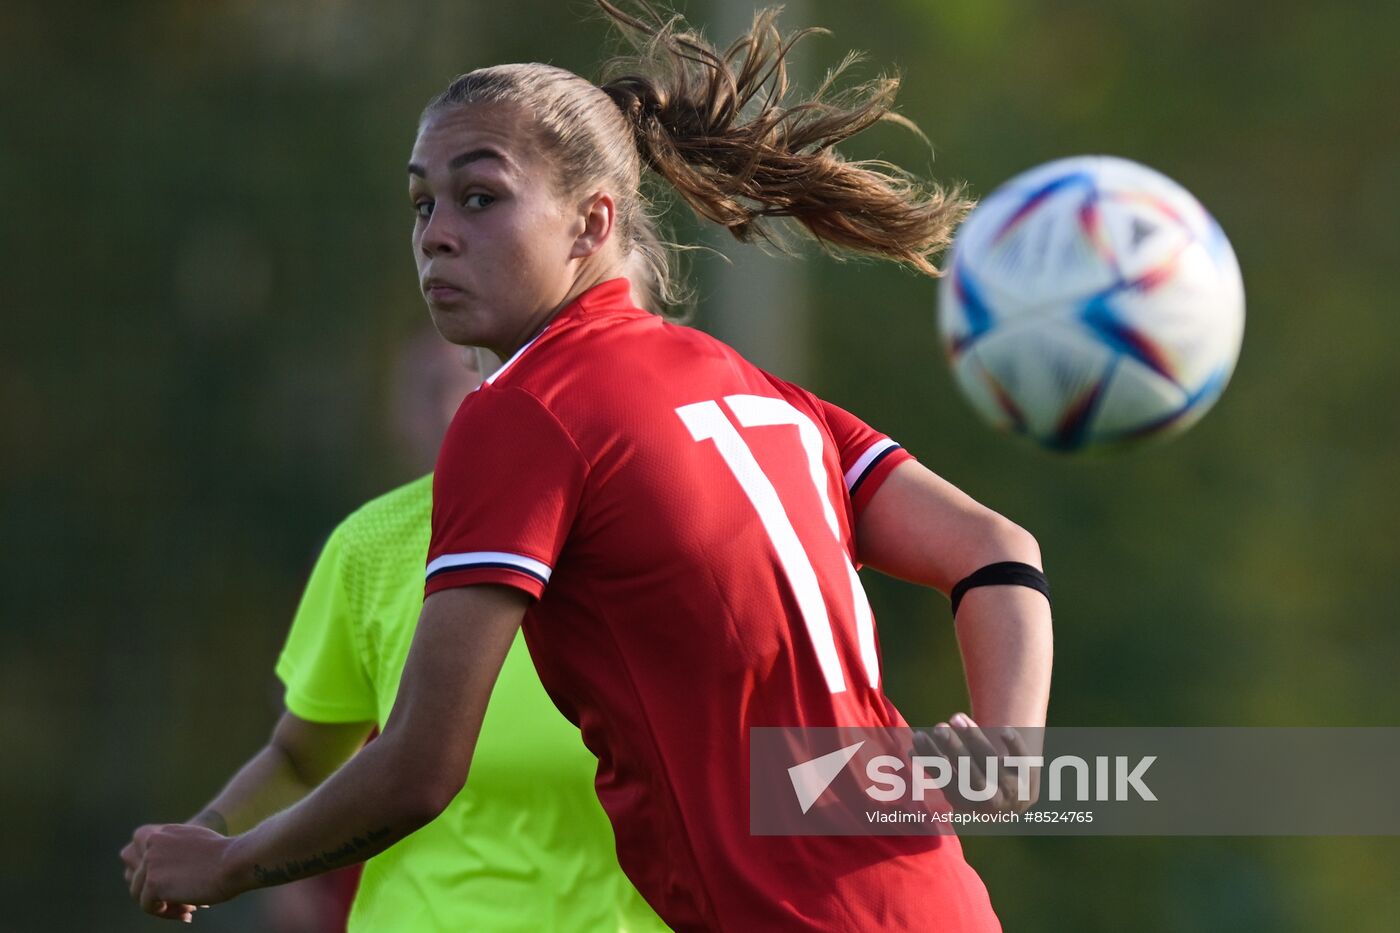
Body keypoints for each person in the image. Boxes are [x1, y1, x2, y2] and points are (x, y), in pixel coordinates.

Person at [124, 2, 1054, 930]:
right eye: (422, 203)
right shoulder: (766, 393)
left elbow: (420, 766)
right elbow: (995, 549)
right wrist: (1009, 746)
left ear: (591, 223)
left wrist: (230, 858)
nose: (436, 233)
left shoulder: (527, 411)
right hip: (938, 901)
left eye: (480, 197)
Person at [122, 336, 666, 930]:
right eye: (425, 391)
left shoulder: (683, 529)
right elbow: (303, 759)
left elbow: (779, 721)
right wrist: (205, 837)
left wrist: (788, 875)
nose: (445, 408)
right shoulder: (368, 545)